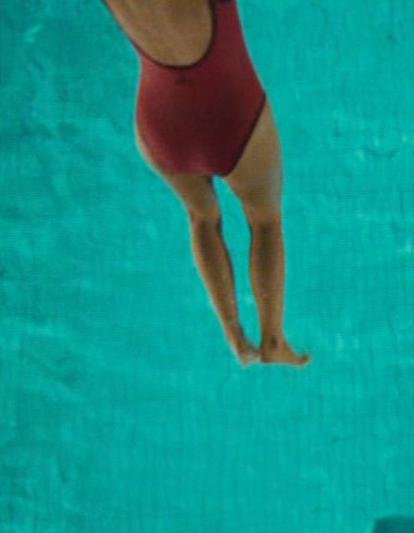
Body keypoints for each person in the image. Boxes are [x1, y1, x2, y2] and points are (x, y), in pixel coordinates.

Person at [104, 0, 309, 366]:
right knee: (264, 221)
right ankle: (273, 340)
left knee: (202, 218)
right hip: (231, 113)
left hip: (159, 123)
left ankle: (234, 336)